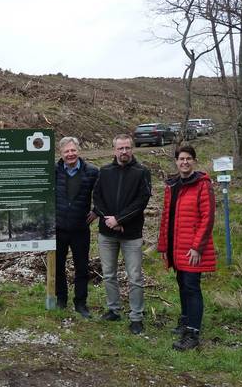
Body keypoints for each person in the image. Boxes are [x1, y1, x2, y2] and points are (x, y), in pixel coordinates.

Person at [157, 146, 216, 350]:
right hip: (175, 247)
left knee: (192, 287)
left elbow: (207, 218)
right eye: (181, 159)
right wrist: (163, 246)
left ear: (194, 161)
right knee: (182, 285)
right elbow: (166, 218)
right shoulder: (172, 185)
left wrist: (197, 248)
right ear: (176, 161)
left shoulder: (202, 184)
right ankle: (185, 321)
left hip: (192, 249)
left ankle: (193, 333)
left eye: (188, 159)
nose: (184, 162)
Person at [93, 134, 151, 334]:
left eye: (127, 148)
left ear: (132, 149)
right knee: (109, 274)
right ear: (114, 150)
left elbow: (142, 201)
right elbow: (97, 198)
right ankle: (113, 310)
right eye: (120, 148)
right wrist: (110, 220)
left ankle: (136, 316)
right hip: (106, 233)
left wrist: (119, 220)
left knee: (134, 276)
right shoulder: (105, 171)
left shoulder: (141, 172)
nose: (124, 152)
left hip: (131, 234)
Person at [54, 137, 99, 318]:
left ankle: (81, 303)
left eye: (73, 150)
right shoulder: (54, 171)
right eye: (66, 151)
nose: (70, 154)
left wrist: (97, 211)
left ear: (78, 151)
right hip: (58, 228)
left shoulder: (92, 172)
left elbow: (103, 193)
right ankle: (61, 299)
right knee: (58, 266)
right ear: (61, 153)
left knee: (81, 267)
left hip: (81, 228)